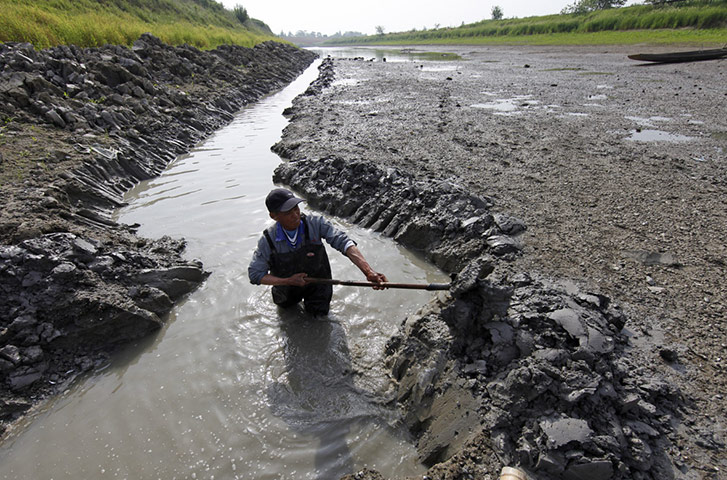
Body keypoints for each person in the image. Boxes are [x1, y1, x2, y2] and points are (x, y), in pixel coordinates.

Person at [248, 188, 387, 316]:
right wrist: (288, 281)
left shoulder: (315, 223)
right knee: (287, 316)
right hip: (286, 289)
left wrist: (368, 271)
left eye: (296, 208)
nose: (295, 215)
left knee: (320, 319)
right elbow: (255, 275)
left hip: (318, 284)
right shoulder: (267, 240)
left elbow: (344, 242)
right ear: (274, 216)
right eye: (288, 213)